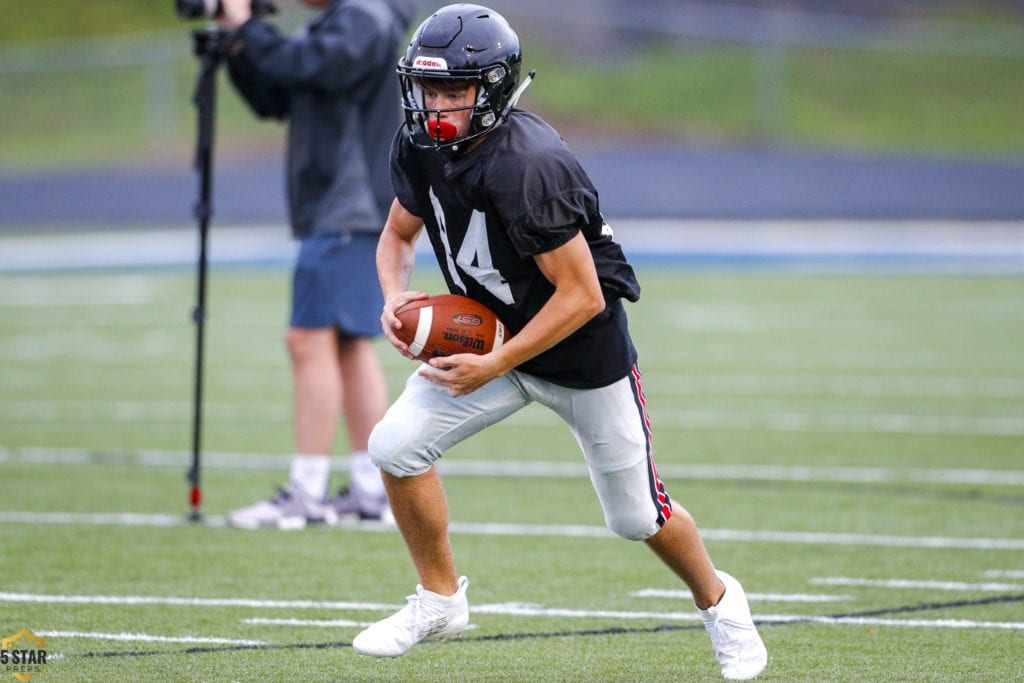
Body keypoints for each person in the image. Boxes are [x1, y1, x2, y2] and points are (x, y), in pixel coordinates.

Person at [351, 5, 768, 679]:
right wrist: (394, 296)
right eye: (429, 89)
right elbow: (398, 235)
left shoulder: (530, 165)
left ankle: (721, 601)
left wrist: (496, 361)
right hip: (494, 339)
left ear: (491, 90)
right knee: (394, 446)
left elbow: (582, 295)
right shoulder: (421, 144)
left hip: (580, 354)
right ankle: (438, 598)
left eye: (454, 90)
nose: (436, 105)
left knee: (638, 515)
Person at [215, 0, 419, 529]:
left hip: (344, 205)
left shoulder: (362, 18)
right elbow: (276, 93)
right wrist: (239, 43)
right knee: (348, 344)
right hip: (343, 207)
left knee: (307, 340)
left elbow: (303, 65)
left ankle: (307, 490)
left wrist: (247, 25)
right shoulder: (343, 22)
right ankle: (372, 489)